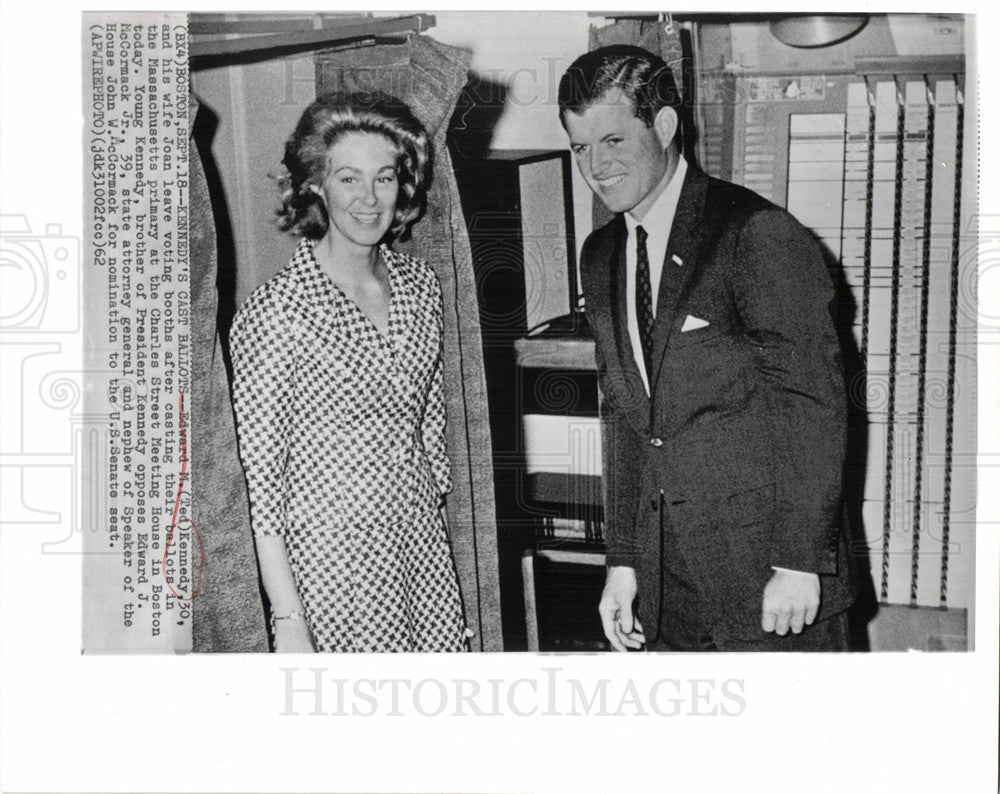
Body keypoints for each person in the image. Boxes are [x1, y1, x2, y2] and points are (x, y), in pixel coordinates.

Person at [558, 45, 856, 651]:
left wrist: (800, 561)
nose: (595, 166)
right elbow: (623, 413)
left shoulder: (756, 233)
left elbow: (813, 404)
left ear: (663, 126)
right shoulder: (600, 255)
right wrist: (623, 560)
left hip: (770, 575)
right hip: (667, 583)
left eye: (612, 141)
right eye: (581, 148)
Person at [230, 91, 467, 653]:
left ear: (402, 185)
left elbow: (428, 429)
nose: (368, 199)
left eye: (383, 178)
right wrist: (288, 619)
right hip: (329, 574)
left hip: (418, 555)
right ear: (316, 183)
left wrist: (428, 526)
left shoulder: (420, 288)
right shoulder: (277, 311)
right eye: (348, 179)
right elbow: (259, 489)